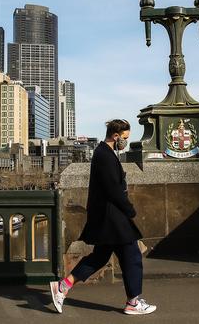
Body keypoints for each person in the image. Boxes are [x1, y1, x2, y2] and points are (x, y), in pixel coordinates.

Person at [50, 119, 157, 315]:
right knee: (132, 256)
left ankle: (63, 286)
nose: (125, 142)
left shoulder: (103, 153)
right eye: (124, 138)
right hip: (113, 217)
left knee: (99, 257)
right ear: (115, 136)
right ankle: (133, 303)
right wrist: (129, 209)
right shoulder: (105, 155)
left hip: (107, 217)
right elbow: (113, 189)